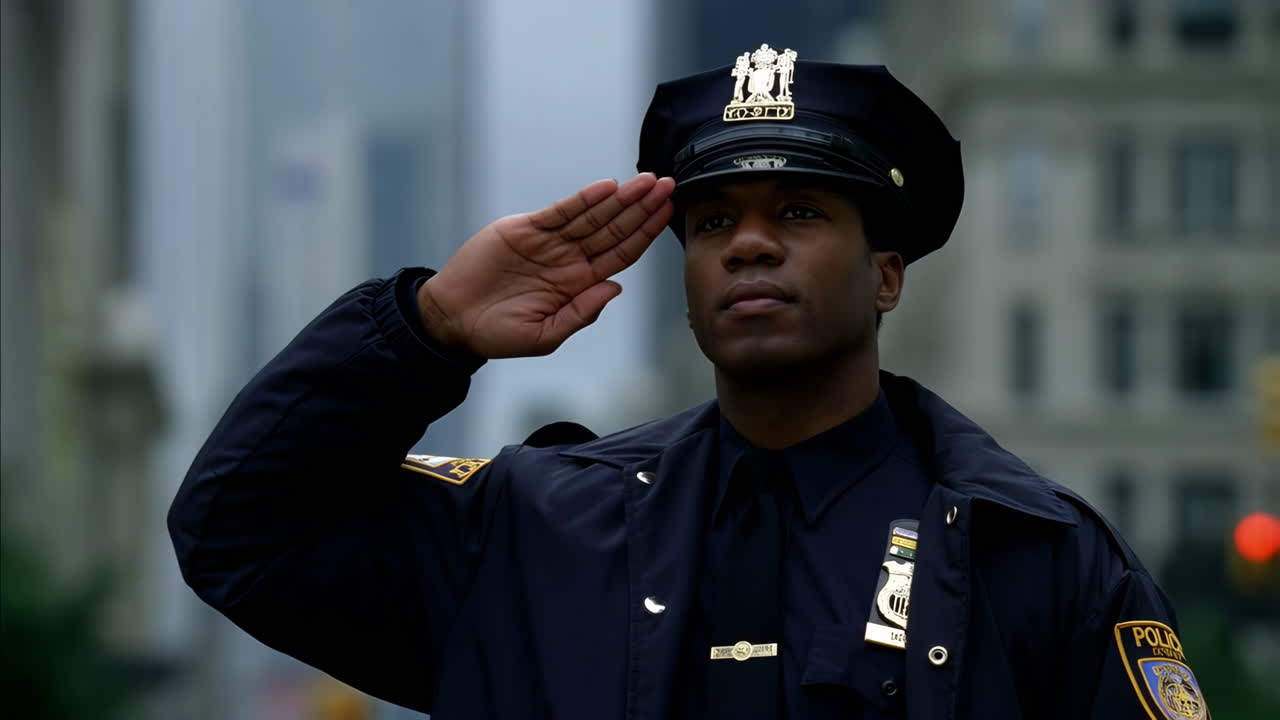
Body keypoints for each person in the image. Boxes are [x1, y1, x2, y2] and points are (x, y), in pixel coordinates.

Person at [169, 49, 1207, 720]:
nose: (747, 245)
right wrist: (426, 328)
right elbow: (239, 531)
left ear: (884, 274)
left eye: (798, 212)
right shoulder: (532, 531)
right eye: (712, 222)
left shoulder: (1028, 554)